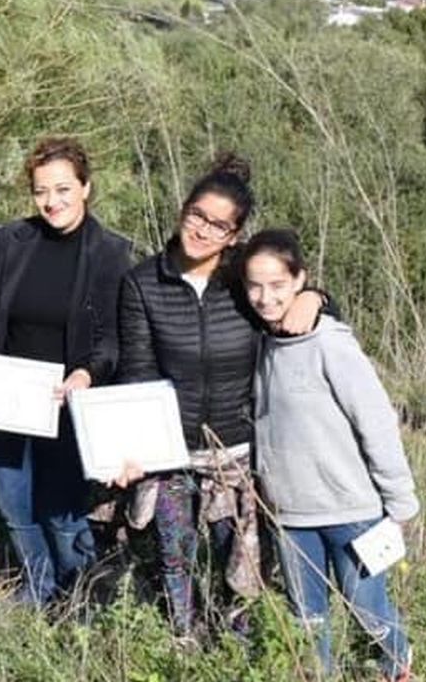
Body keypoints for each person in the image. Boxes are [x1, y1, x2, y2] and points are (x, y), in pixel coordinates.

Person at [115, 154, 324, 639]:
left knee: (242, 558)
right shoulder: (143, 283)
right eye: (197, 216)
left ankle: (237, 641)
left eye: (219, 225)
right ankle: (184, 636)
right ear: (183, 209)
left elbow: (288, 299)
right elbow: (138, 371)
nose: (203, 231)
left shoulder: (243, 283)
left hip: (238, 450)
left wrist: (316, 297)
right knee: (175, 550)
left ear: (234, 235)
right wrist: (135, 447)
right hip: (171, 449)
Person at [0, 137, 133, 605]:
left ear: (86, 188)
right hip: (10, 398)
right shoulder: (13, 241)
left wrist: (87, 373)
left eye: (64, 189)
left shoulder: (110, 252)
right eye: (42, 191)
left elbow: (110, 336)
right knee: (12, 501)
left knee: (61, 509)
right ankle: (38, 583)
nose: (53, 201)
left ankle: (78, 591)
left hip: (67, 402)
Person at [243, 228, 418, 682]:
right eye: (255, 286)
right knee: (307, 618)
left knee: (369, 609)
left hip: (352, 511)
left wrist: (400, 503)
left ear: (301, 279)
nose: (265, 297)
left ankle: (397, 673)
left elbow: (377, 421)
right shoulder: (263, 343)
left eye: (278, 284)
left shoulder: (331, 345)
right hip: (291, 516)